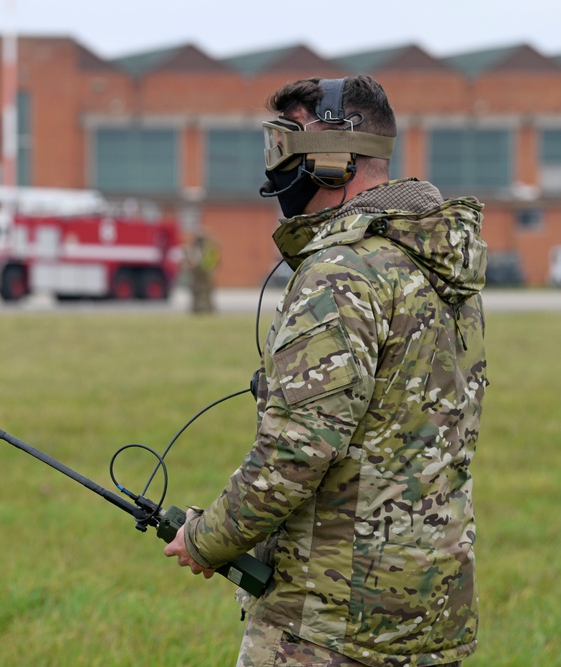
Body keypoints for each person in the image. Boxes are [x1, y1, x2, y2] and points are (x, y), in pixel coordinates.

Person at [163, 75, 487, 667]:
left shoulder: (338, 274)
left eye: (287, 142)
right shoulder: (439, 267)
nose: (274, 167)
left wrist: (208, 538)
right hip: (432, 613)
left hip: (329, 625)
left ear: (336, 159)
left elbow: (296, 452)